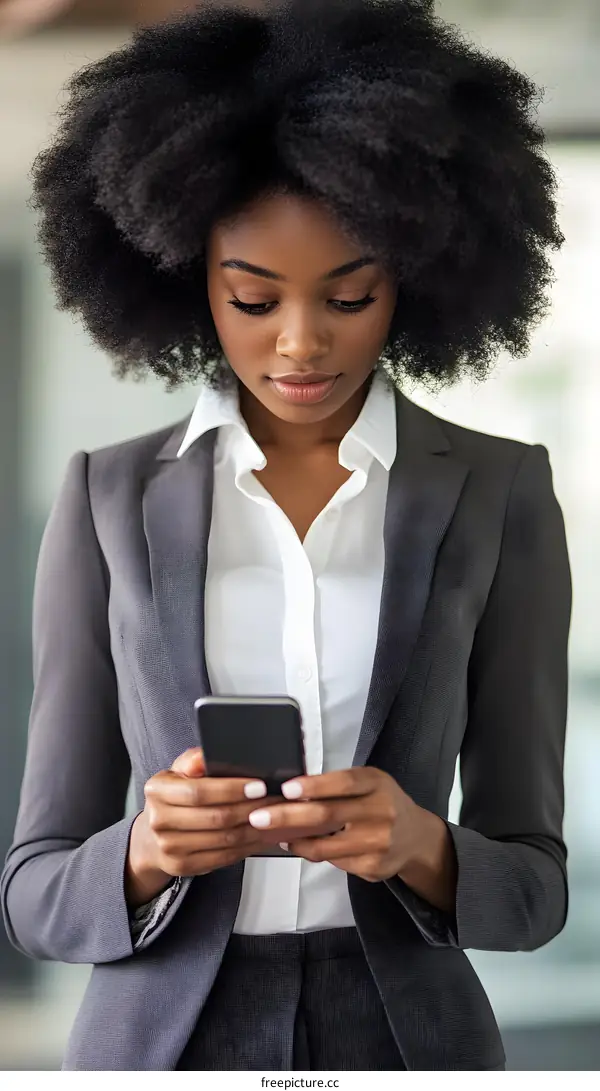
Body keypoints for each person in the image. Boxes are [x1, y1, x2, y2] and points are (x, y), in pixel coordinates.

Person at [1, 0, 572, 1072]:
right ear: (183, 282)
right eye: (251, 299)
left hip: (410, 1041)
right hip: (160, 1042)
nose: (301, 342)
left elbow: (535, 889)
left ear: (410, 276)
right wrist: (143, 850)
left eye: (349, 296)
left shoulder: (503, 491)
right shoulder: (105, 499)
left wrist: (423, 844)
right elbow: (34, 892)